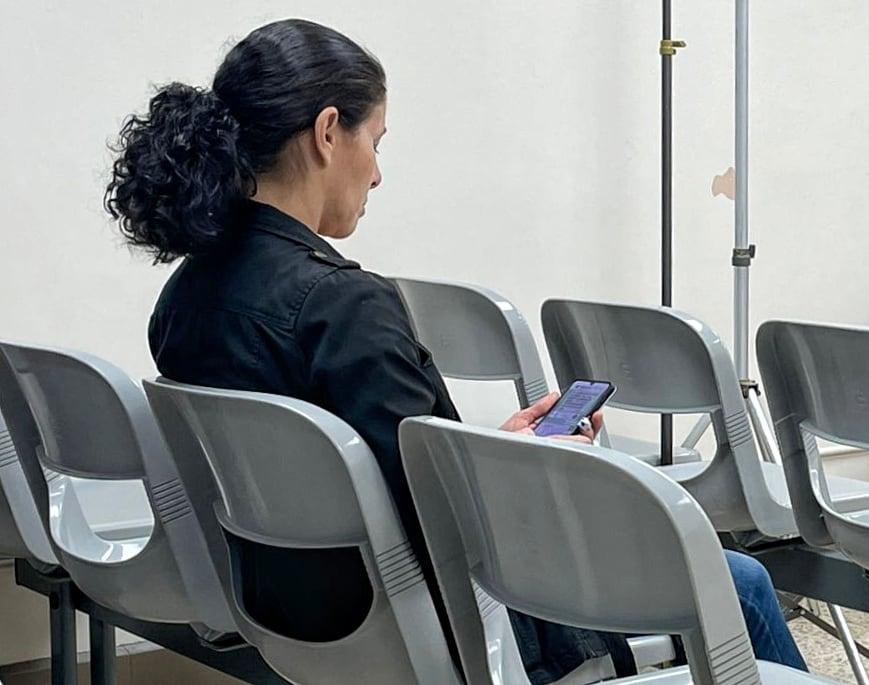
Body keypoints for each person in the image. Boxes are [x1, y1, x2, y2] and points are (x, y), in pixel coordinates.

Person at [105, 18, 806, 679]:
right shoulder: (343, 307)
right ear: (327, 133)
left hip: (300, 618)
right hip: (453, 621)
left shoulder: (184, 300)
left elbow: (371, 481)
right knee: (740, 582)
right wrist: (533, 469)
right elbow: (448, 528)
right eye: (375, 142)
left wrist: (496, 446)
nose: (376, 174)